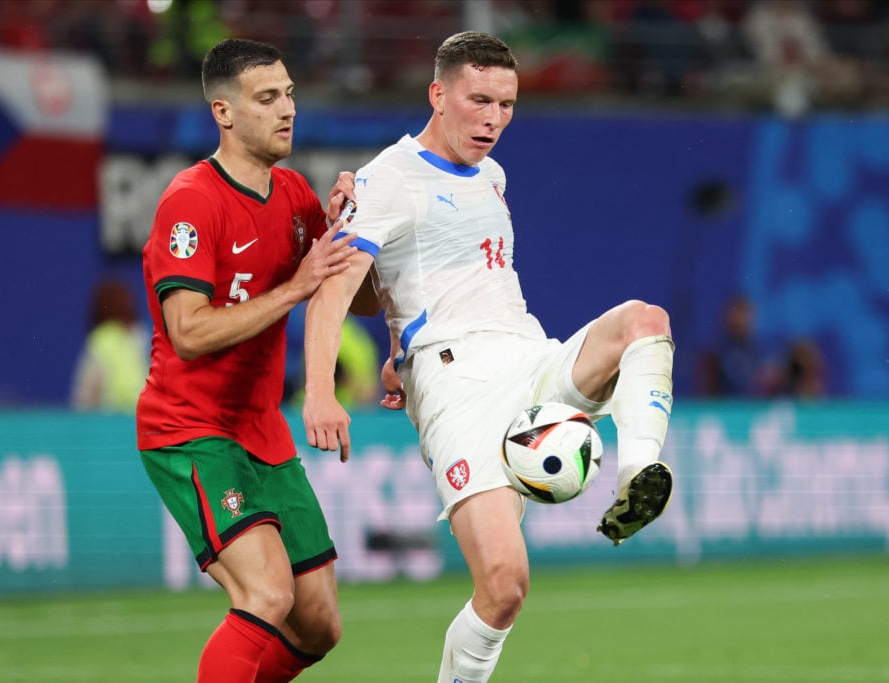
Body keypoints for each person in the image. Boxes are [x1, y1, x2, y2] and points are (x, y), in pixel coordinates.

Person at [301, 31, 676, 683]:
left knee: (645, 321)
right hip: (458, 387)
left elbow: (416, 279)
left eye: (507, 104)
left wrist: (397, 345)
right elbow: (339, 294)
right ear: (438, 94)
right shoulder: (387, 179)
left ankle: (638, 475)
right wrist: (321, 388)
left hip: (531, 359)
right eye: (480, 100)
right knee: (504, 585)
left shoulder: (492, 174)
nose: (494, 119)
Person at [136, 38, 364, 683]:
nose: (287, 109)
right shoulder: (191, 201)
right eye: (267, 99)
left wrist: (355, 227)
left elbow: (351, 291)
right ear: (224, 112)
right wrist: (294, 286)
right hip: (190, 429)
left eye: (289, 93)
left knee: (319, 624)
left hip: (261, 431)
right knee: (266, 595)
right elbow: (188, 332)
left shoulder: (294, 195)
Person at [70, 278, 149, 413]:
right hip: (146, 420)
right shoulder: (145, 335)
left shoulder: (101, 340)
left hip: (109, 426)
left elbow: (84, 397)